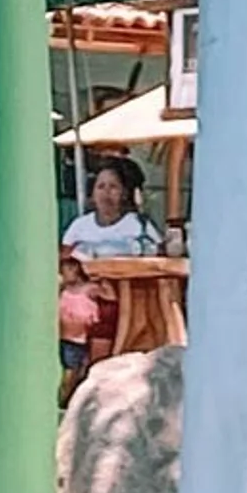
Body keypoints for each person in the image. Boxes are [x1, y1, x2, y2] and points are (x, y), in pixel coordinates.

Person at [57, 152, 150, 366]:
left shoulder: (137, 225)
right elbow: (64, 261)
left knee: (108, 311)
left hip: (126, 294)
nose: (106, 193)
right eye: (101, 186)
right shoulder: (80, 226)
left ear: (125, 193)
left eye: (113, 187)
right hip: (83, 293)